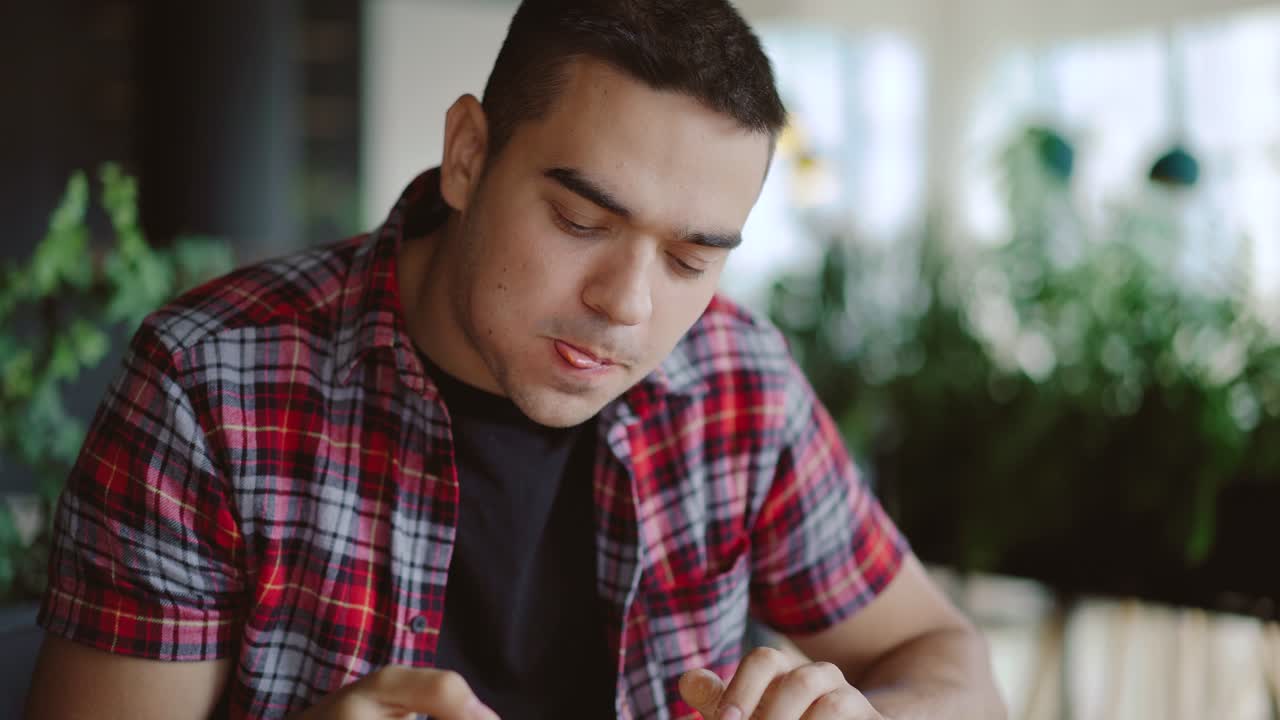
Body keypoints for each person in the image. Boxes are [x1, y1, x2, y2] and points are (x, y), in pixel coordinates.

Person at [24, 1, 1005, 718]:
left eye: (688, 258)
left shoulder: (736, 382)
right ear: (466, 155)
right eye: (581, 221)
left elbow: (945, 658)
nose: (627, 305)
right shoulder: (210, 386)